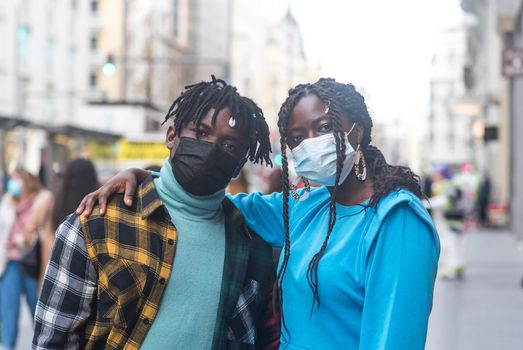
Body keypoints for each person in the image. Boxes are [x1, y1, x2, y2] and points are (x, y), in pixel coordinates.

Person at [78, 78, 440, 349]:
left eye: (325, 128)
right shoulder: (307, 209)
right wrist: (148, 178)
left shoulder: (396, 221)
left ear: (356, 132)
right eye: (296, 137)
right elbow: (209, 203)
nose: (310, 142)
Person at [33, 77, 280, 349]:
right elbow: (52, 340)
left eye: (229, 146)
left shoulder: (248, 242)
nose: (212, 149)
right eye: (200, 133)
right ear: (171, 136)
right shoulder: (97, 221)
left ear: (238, 166)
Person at [0, 169, 53, 350]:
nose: (13, 183)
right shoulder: (7, 201)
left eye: (17, 179)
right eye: (12, 179)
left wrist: (17, 240)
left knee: (38, 309)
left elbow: (37, 233)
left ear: (27, 181)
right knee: (8, 313)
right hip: (10, 262)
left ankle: (43, 345)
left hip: (33, 263)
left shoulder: (41, 200)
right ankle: (8, 345)